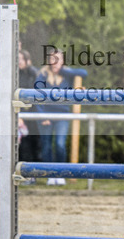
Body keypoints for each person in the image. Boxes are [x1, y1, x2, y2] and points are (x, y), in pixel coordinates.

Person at [34, 49, 87, 181]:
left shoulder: (68, 74)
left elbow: (84, 73)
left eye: (58, 59)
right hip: (45, 114)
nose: (55, 62)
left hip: (62, 115)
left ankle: (61, 173)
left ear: (62, 61)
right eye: (53, 59)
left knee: (60, 144)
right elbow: (36, 96)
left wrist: (63, 70)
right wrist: (42, 116)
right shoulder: (42, 74)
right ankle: (50, 175)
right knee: (46, 145)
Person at [17, 49, 41, 165]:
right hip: (20, 113)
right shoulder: (15, 74)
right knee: (23, 143)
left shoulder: (34, 73)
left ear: (27, 60)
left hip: (33, 112)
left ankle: (34, 170)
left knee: (34, 141)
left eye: (21, 59)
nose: (19, 61)